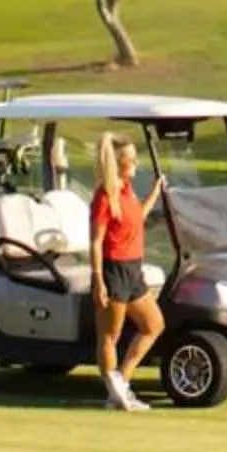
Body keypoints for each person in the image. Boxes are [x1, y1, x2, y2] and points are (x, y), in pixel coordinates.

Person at [89, 133, 166, 412]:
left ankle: (121, 383)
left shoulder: (128, 190)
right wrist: (98, 280)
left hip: (134, 270)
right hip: (113, 269)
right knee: (110, 335)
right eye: (131, 159)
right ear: (119, 162)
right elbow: (96, 241)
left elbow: (136, 218)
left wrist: (155, 194)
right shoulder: (104, 196)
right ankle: (116, 392)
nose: (136, 163)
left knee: (153, 324)